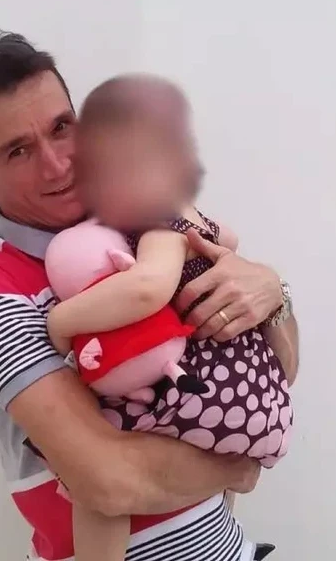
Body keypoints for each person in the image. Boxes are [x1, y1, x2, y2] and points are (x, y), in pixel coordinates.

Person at [0, 30, 299, 561]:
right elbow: (108, 483)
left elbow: (279, 372)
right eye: (18, 151)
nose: (58, 164)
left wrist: (271, 293)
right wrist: (236, 465)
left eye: (61, 128)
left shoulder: (137, 214)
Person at [45, 74, 297, 561]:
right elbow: (230, 241)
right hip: (256, 390)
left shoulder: (160, 225)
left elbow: (147, 288)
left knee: (93, 476)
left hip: (209, 387)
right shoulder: (195, 217)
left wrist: (62, 321)